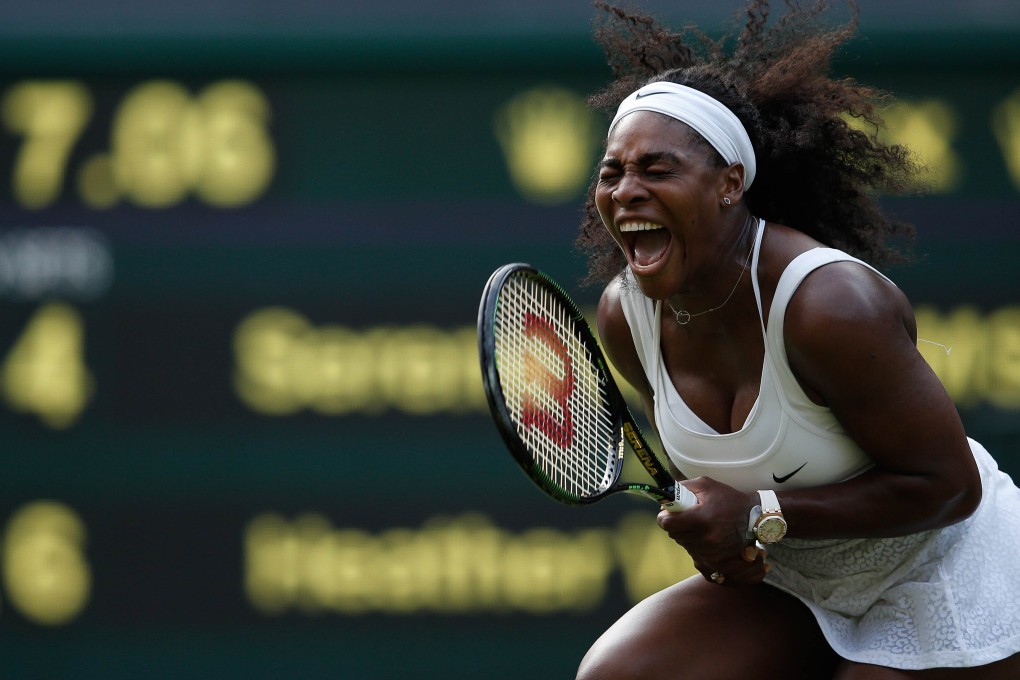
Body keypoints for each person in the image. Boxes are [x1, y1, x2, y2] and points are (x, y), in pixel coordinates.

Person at [572, 1, 1020, 678]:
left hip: (937, 566)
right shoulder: (625, 317)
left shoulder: (829, 307)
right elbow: (722, 486)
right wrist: (723, 532)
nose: (626, 191)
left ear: (730, 184)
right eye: (612, 173)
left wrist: (759, 512)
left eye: (657, 171)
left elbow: (950, 487)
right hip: (791, 577)